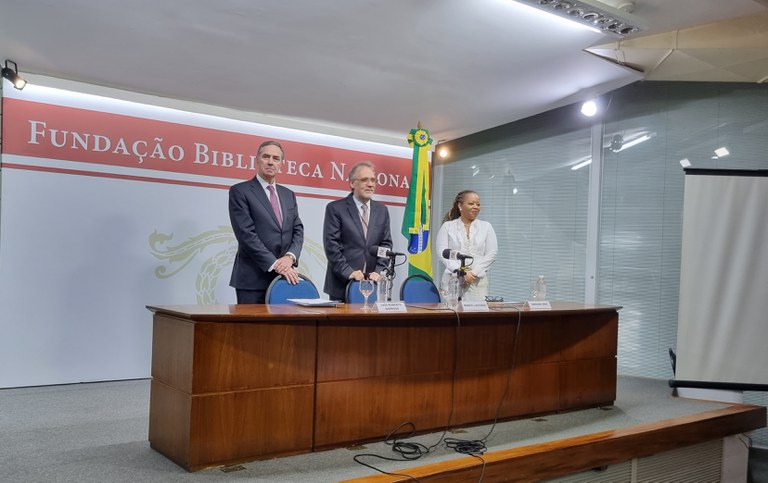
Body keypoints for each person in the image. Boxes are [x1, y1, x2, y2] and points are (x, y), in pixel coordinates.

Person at [228, 140, 304, 303]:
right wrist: (275, 264)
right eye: (266, 156)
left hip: (284, 279)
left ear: (281, 164)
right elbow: (246, 235)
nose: (270, 162)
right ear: (257, 160)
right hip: (252, 280)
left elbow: (298, 230)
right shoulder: (240, 191)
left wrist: (290, 257)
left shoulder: (288, 194)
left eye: (276, 158)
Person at [323, 162, 393, 301]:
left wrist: (379, 271)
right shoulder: (336, 208)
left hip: (373, 284)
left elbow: (385, 245)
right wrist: (348, 272)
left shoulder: (382, 210)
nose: (370, 184)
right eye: (364, 180)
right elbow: (332, 246)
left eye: (373, 180)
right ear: (352, 183)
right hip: (343, 285)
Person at [435, 190, 498, 301]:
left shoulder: (486, 227)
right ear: (460, 205)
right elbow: (442, 252)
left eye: (478, 204)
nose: (476, 207)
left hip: (477, 282)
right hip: (452, 280)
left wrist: (473, 274)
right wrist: (461, 273)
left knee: (476, 312)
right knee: (452, 310)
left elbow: (492, 254)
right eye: (471, 203)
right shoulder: (447, 226)